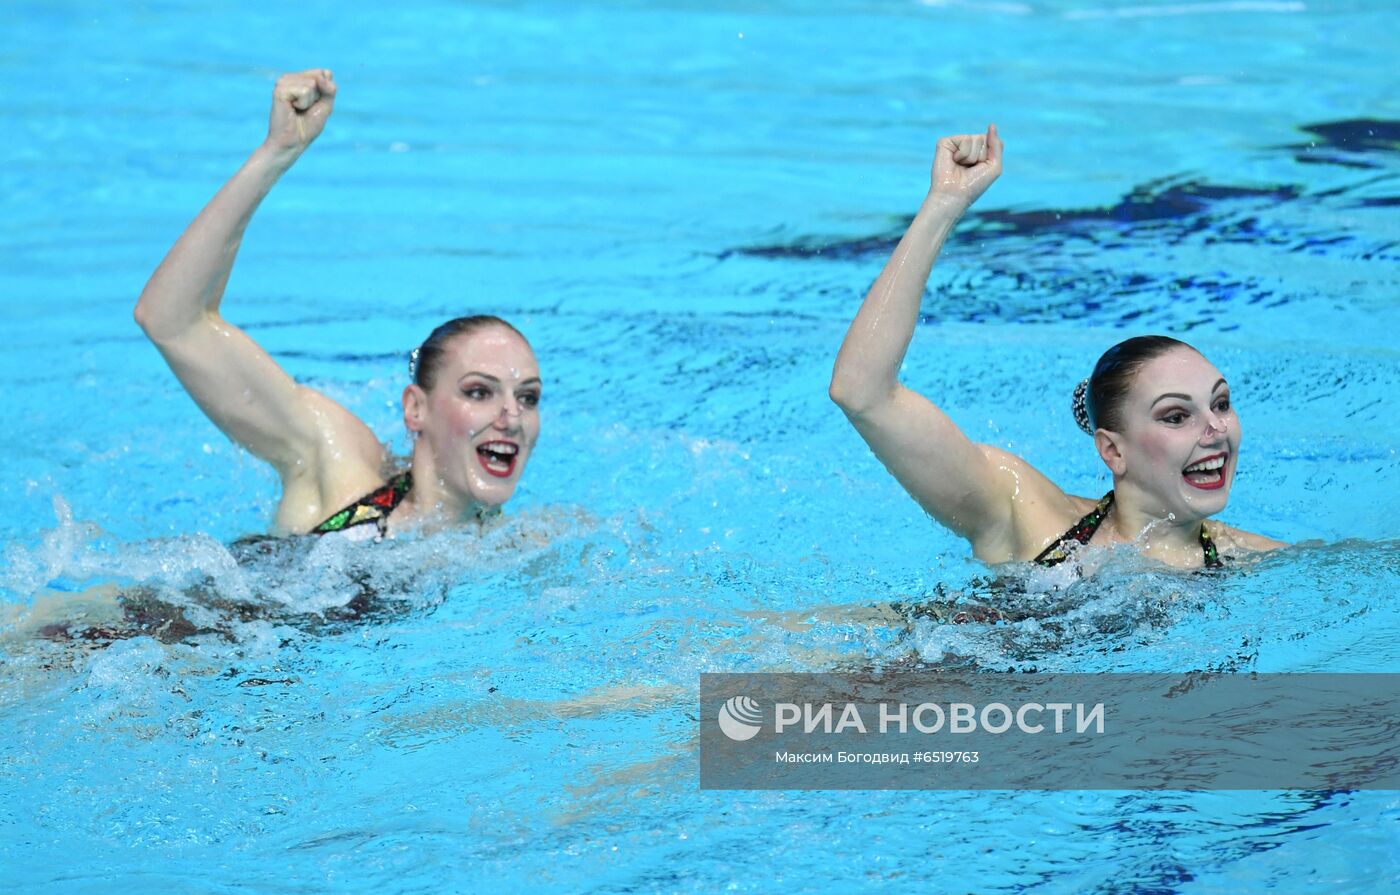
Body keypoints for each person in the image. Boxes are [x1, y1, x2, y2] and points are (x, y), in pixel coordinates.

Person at [829, 125, 1286, 571]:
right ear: (1113, 451)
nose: (1216, 429)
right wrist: (944, 204)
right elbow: (861, 391)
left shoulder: (1261, 561)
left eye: (1220, 404)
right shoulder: (1028, 516)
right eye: (1176, 416)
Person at [134, 70, 541, 540]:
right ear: (416, 409)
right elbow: (172, 319)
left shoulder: (525, 546)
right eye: (479, 392)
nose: (512, 417)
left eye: (528, 397)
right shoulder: (338, 465)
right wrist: (277, 152)